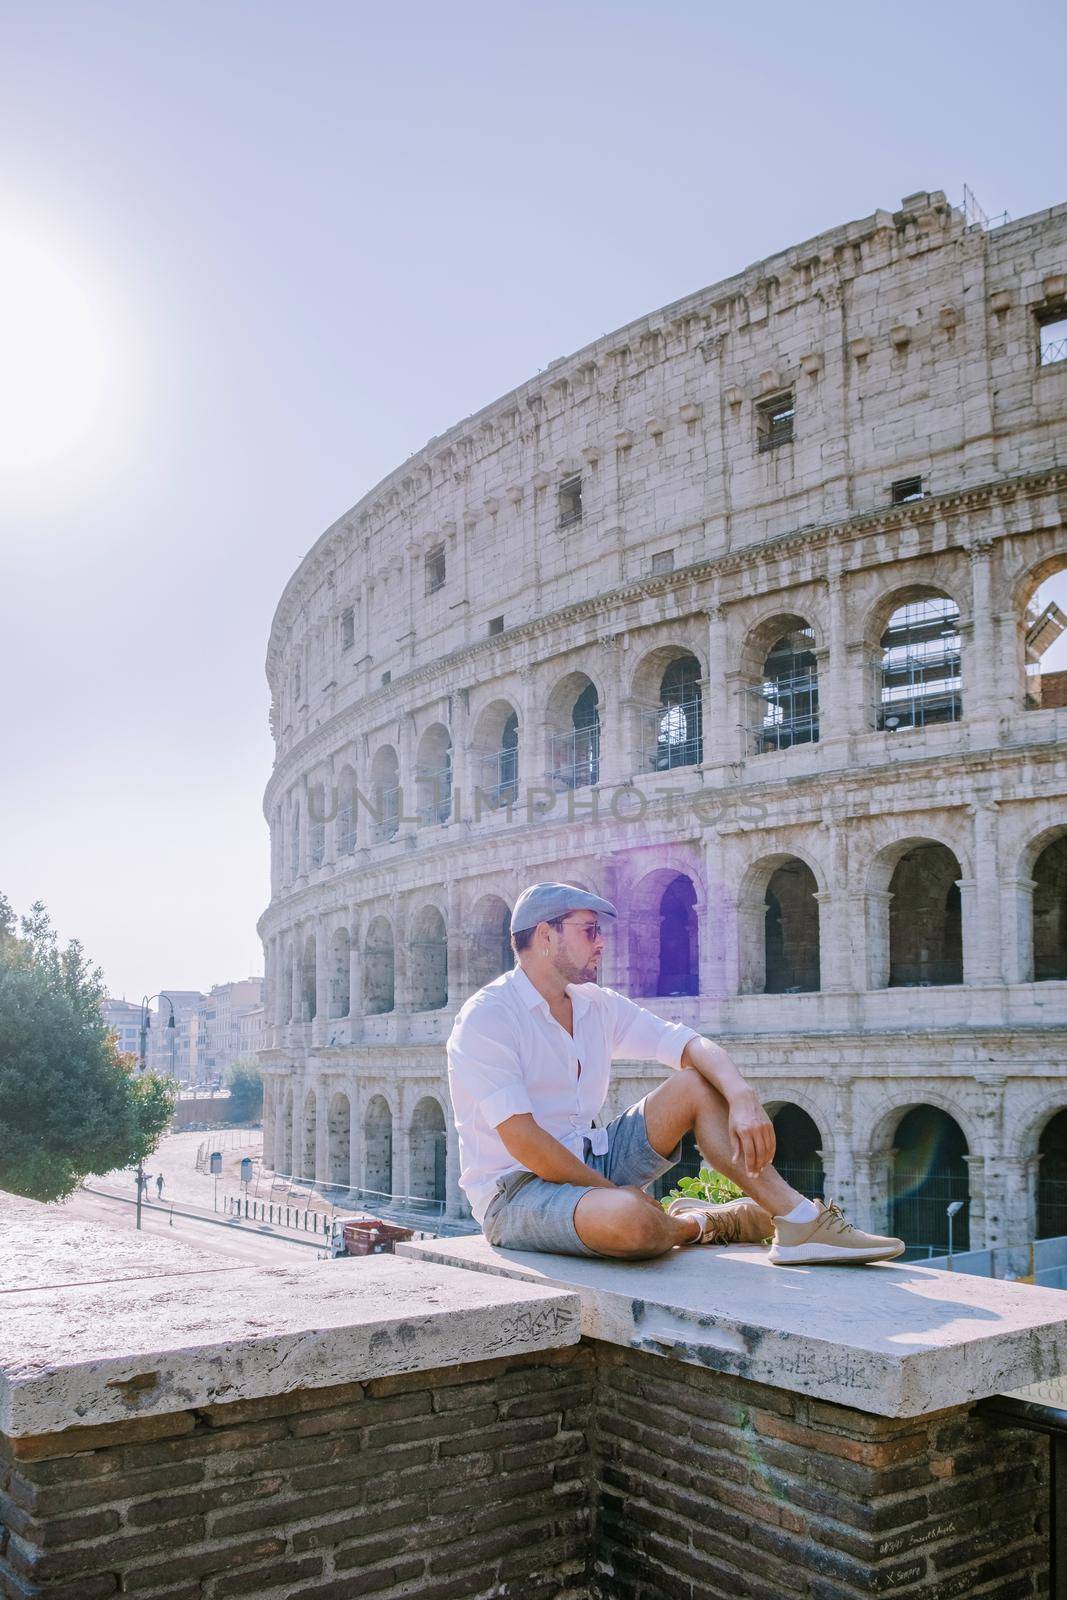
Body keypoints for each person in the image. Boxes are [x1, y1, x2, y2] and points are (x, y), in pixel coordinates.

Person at [447, 882, 904, 1265]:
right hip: (517, 1192)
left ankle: (802, 1222)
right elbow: (524, 1140)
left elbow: (687, 1044)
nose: (601, 942)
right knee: (631, 1220)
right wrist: (616, 1195)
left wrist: (742, 1096)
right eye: (589, 931)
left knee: (696, 1083)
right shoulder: (489, 1017)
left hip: (590, 1155)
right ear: (545, 936)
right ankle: (702, 1223)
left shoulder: (594, 1005)